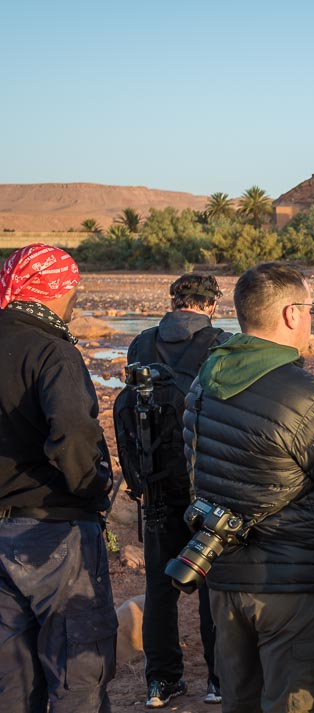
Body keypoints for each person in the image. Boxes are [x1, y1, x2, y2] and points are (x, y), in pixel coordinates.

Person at [184, 263, 314, 713]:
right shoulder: (304, 394)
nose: (312, 319)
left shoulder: (206, 379)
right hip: (291, 584)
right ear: (292, 314)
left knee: (241, 700)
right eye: (311, 309)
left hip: (225, 574)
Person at [0, 243, 117, 712]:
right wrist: (92, 489)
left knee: (11, 676)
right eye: (73, 290)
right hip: (52, 529)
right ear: (55, 289)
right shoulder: (52, 350)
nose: (75, 299)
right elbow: (72, 433)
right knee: (75, 673)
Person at [116, 274, 228, 708]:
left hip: (155, 482)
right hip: (206, 482)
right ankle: (219, 680)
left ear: (173, 301)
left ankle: (161, 682)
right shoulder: (219, 342)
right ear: (212, 304)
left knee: (160, 588)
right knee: (212, 584)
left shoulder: (141, 343)